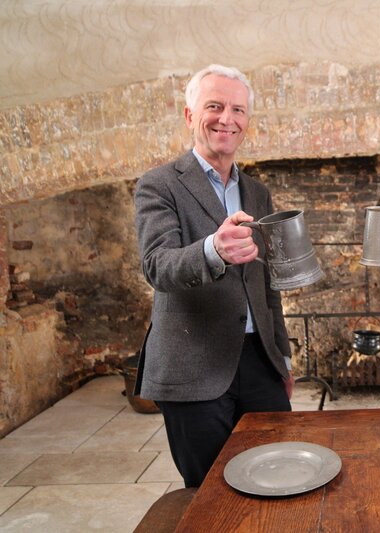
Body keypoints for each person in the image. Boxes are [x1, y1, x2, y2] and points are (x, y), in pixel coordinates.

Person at [134, 64, 294, 488]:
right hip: (193, 367)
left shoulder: (257, 192)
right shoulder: (158, 185)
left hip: (259, 363)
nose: (227, 119)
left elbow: (268, 284)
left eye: (238, 110)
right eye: (215, 106)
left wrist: (282, 356)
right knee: (210, 494)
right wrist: (213, 250)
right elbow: (157, 266)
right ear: (190, 116)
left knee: (280, 478)